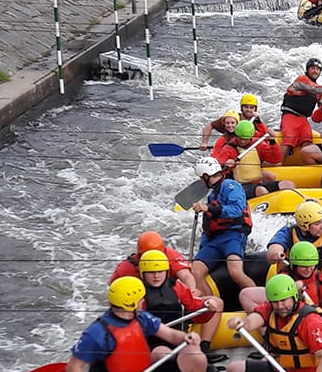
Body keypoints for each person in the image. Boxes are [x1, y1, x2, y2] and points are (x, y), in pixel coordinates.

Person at [66, 276, 206, 372]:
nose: (143, 301)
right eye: (140, 299)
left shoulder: (141, 317)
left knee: (196, 357)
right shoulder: (97, 332)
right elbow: (73, 368)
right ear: (131, 303)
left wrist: (186, 337)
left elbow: (171, 335)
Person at [224, 275, 322, 372]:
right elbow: (252, 322)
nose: (280, 306)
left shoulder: (310, 321)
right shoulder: (271, 309)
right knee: (233, 369)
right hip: (280, 369)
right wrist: (241, 323)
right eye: (275, 302)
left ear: (294, 297)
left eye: (284, 301)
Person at [133, 249, 225, 366]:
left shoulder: (176, 286)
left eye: (160, 271)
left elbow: (195, 308)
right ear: (143, 273)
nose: (156, 276)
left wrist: (207, 307)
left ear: (166, 271)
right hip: (152, 344)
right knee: (164, 354)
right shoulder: (137, 293)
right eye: (151, 272)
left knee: (198, 356)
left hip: (179, 338)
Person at [266, 199, 322, 302]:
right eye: (317, 224)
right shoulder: (288, 233)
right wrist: (276, 252)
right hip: (291, 290)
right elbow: (273, 250)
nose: (321, 226)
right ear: (304, 226)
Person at [190, 155, 255, 290]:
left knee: (235, 272)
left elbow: (236, 209)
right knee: (196, 271)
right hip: (214, 240)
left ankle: (260, 301)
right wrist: (203, 246)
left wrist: (208, 208)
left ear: (206, 176)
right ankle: (209, 306)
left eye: (201, 178)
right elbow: (209, 226)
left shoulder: (231, 186)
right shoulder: (212, 195)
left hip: (233, 235)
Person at [280, 58, 322, 164]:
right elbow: (315, 88)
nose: (315, 71)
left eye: (317, 69)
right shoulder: (302, 80)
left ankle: (308, 169)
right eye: (313, 68)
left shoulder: (319, 92)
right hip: (290, 116)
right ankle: (278, 164)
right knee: (289, 139)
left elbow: (321, 113)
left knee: (307, 142)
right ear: (307, 70)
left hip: (303, 120)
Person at [213, 119, 283, 198]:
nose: (242, 141)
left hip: (257, 182)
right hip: (239, 186)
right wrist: (226, 167)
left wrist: (272, 142)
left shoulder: (257, 144)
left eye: (245, 139)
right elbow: (216, 170)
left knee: (286, 184)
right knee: (262, 191)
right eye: (240, 138)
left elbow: (275, 160)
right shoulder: (228, 149)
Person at [112, 230, 200, 292]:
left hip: (167, 292)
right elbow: (113, 287)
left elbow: (186, 276)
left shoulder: (171, 256)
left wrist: (192, 291)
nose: (156, 275)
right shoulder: (126, 268)